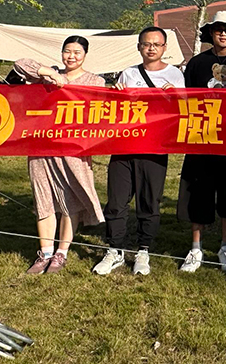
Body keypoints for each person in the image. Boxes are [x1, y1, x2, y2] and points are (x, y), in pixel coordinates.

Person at [94, 27, 184, 277]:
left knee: (149, 201)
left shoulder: (175, 75)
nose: (151, 48)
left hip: (155, 147)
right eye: (146, 44)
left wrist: (176, 96)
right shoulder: (129, 73)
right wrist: (116, 95)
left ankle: (143, 249)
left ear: (165, 48)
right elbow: (117, 110)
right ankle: (115, 249)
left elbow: (183, 110)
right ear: (139, 47)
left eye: (156, 44)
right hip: (125, 145)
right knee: (116, 200)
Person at [13, 37, 106, 274]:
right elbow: (20, 64)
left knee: (69, 200)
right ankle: (44, 252)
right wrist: (49, 72)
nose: (71, 56)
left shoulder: (95, 81)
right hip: (41, 147)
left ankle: (61, 252)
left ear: (85, 54)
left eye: (77, 52)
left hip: (74, 150)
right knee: (43, 198)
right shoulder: (48, 77)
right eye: (67, 51)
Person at [177, 11, 226, 274]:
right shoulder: (197, 63)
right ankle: (195, 248)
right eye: (219, 29)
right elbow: (185, 100)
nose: (223, 33)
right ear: (210, 32)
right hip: (201, 137)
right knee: (198, 191)